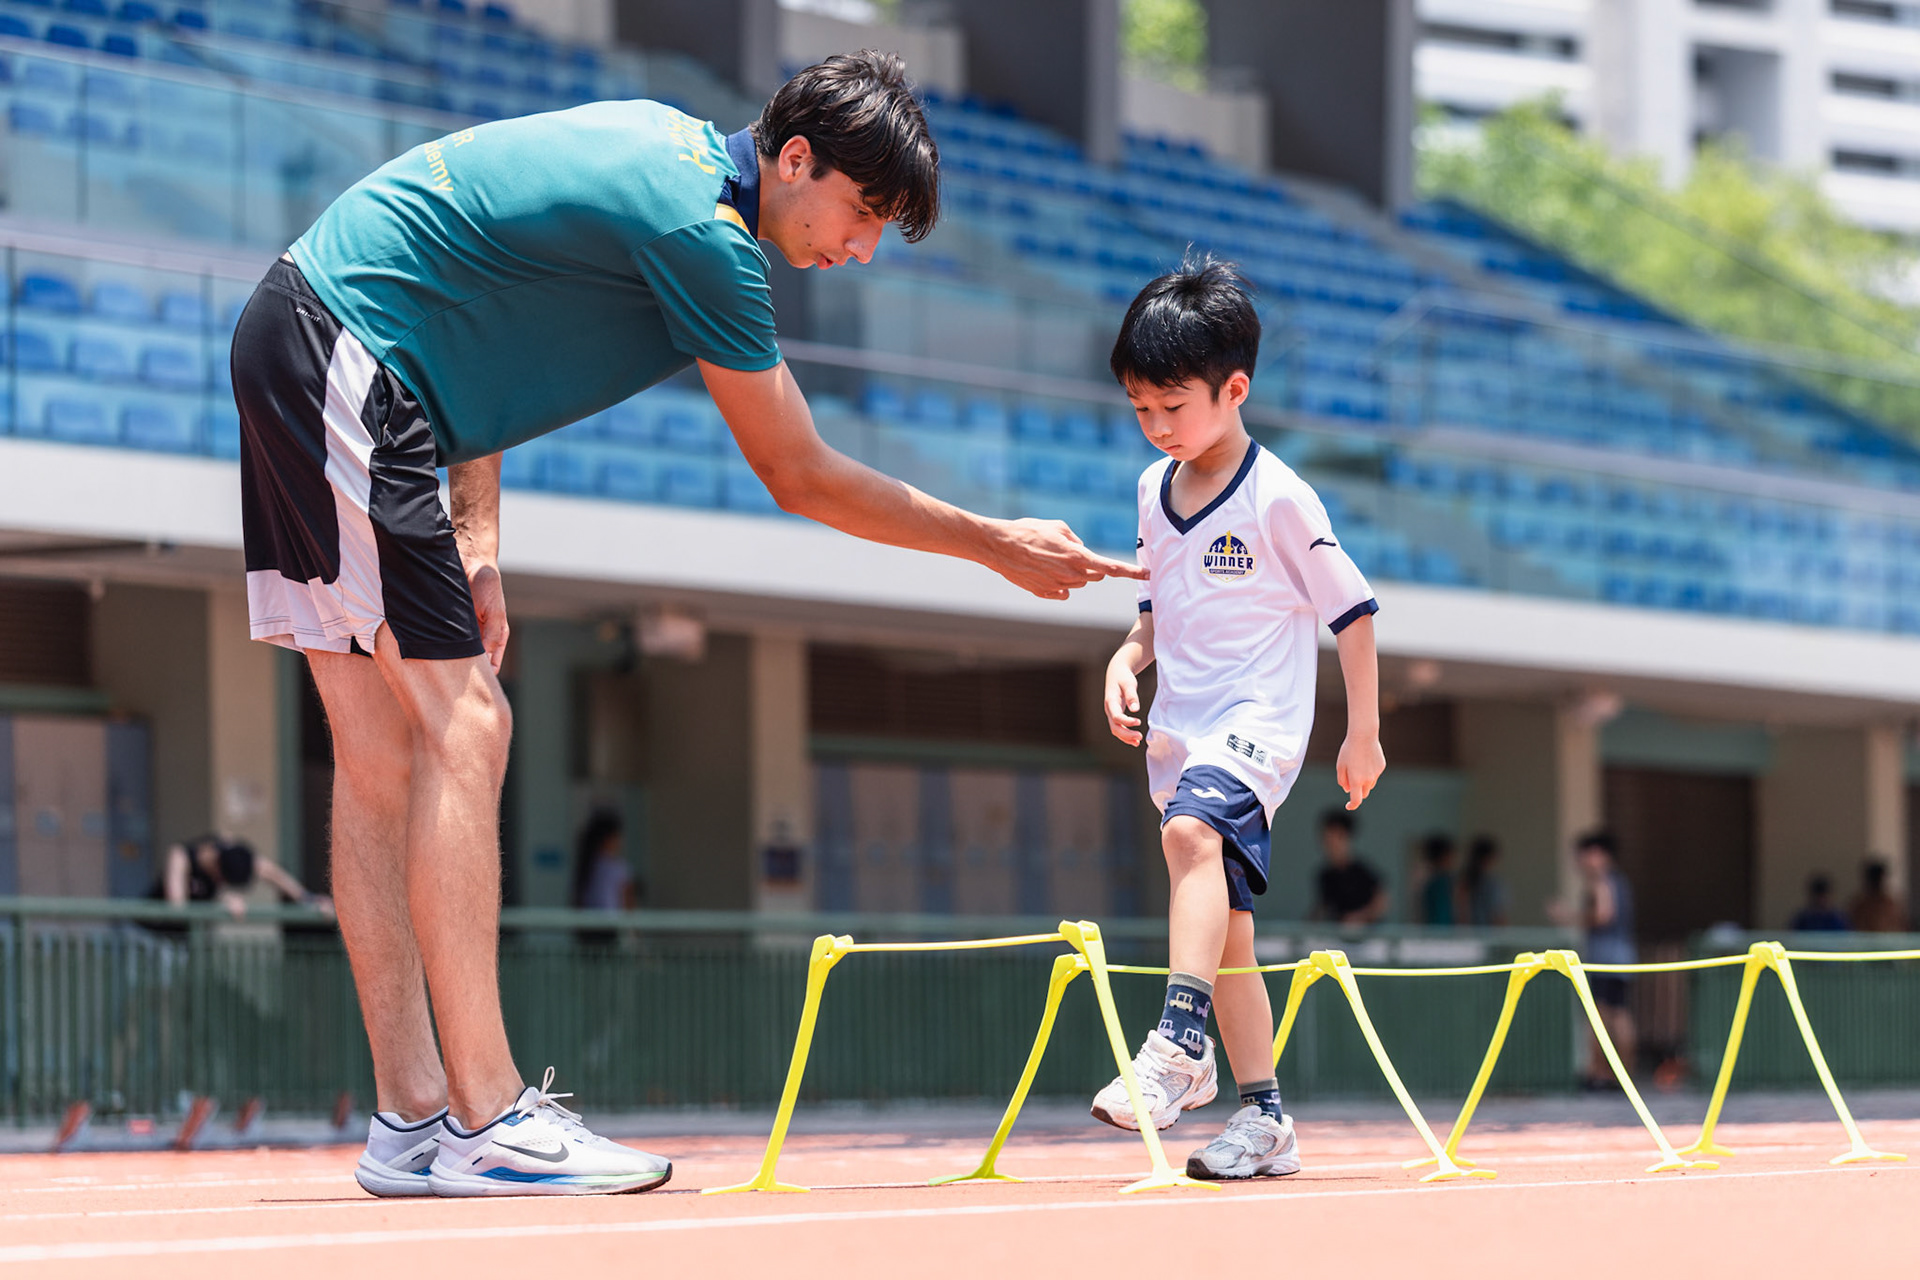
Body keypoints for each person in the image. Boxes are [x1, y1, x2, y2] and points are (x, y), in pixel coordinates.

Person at [230, 52, 1145, 1200]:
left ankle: (415, 1116)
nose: (858, 247)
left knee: (381, 752)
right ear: (794, 159)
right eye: (859, 214)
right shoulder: (704, 232)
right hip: (351, 361)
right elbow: (798, 473)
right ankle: (489, 1114)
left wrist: (479, 539)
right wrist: (995, 542)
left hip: (324, 342)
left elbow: (468, 313)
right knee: (470, 725)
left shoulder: (664, 152)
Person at [1088, 259, 1385, 1180]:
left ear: (1235, 389)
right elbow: (1157, 613)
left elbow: (1357, 614)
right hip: (1182, 726)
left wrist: (1363, 732)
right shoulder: (1151, 489)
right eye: (1141, 409)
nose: (1157, 426)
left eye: (1173, 406)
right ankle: (1266, 1120)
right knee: (1230, 939)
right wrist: (1124, 659)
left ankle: (1177, 1048)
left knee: (1189, 837)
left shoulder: (1279, 496)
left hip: (1261, 724)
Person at [1570, 831, 1636, 1089]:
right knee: (1617, 1013)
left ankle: (1602, 1074)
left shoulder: (1604, 880)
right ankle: (1621, 1074)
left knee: (1601, 1016)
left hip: (1605, 959)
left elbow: (1603, 915)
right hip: (1622, 957)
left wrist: (1571, 917)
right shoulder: (1619, 881)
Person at [149, 834, 332, 919]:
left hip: (182, 943)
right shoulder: (181, 856)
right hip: (148, 933)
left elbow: (271, 872)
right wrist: (222, 900)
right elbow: (177, 910)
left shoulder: (228, 848)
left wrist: (308, 899)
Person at [1312, 810, 1387, 925]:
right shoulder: (1325, 875)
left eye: (1336, 838)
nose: (1332, 845)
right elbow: (1323, 908)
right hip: (1336, 939)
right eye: (1328, 840)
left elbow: (1382, 903)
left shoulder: (1363, 872)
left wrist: (1359, 917)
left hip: (1367, 938)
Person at [1847, 858, 1907, 933]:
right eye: (1874, 880)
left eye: (1878, 879)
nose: (1877, 883)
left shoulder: (1890, 904)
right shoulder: (1859, 905)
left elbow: (1900, 928)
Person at [1462, 835, 1508, 927]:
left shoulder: (1463, 880)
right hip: (1486, 934)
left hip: (1469, 934)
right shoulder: (1492, 884)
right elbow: (1497, 914)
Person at [1418, 834, 1457, 927]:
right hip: (1441, 934)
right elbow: (1440, 916)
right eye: (1451, 855)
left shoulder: (1433, 882)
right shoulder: (1439, 884)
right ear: (1444, 856)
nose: (1454, 860)